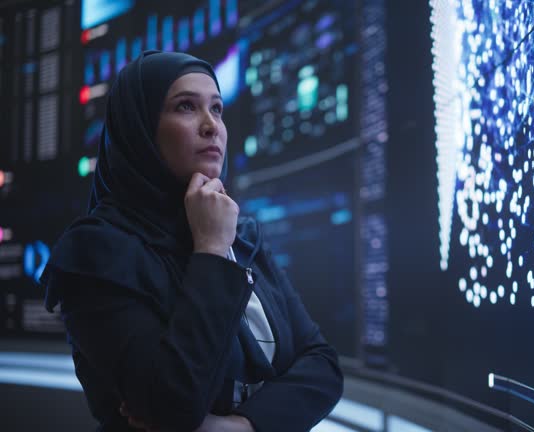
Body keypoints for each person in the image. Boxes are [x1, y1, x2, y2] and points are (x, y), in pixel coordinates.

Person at [41, 50, 343, 431]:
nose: (211, 126)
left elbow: (323, 366)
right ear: (140, 129)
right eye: (186, 106)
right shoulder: (95, 253)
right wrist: (212, 251)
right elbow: (172, 403)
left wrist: (243, 427)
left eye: (217, 109)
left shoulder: (243, 234)